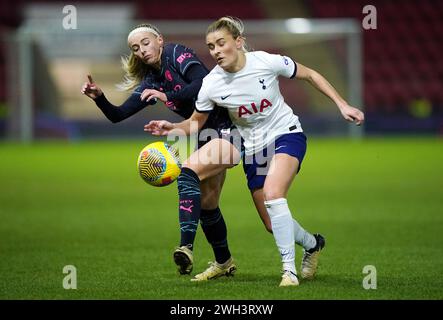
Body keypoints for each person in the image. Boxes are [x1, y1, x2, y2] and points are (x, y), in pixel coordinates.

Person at [144, 16, 365, 286]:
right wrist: (172, 127)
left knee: (274, 195)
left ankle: (289, 271)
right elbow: (195, 123)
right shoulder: (211, 84)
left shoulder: (266, 61)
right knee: (272, 224)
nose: (215, 51)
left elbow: (310, 74)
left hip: (286, 134)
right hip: (254, 150)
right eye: (210, 46)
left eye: (221, 43)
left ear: (238, 42)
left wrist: (343, 105)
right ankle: (313, 244)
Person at [81, 23, 239, 278]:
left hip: (230, 126)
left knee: (188, 174)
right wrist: (99, 97)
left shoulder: (176, 54)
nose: (142, 50)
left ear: (159, 40)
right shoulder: (152, 81)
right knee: (208, 204)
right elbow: (118, 115)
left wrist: (166, 98)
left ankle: (186, 247)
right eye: (135, 48)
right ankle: (224, 262)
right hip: (204, 134)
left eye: (145, 43)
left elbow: (203, 82)